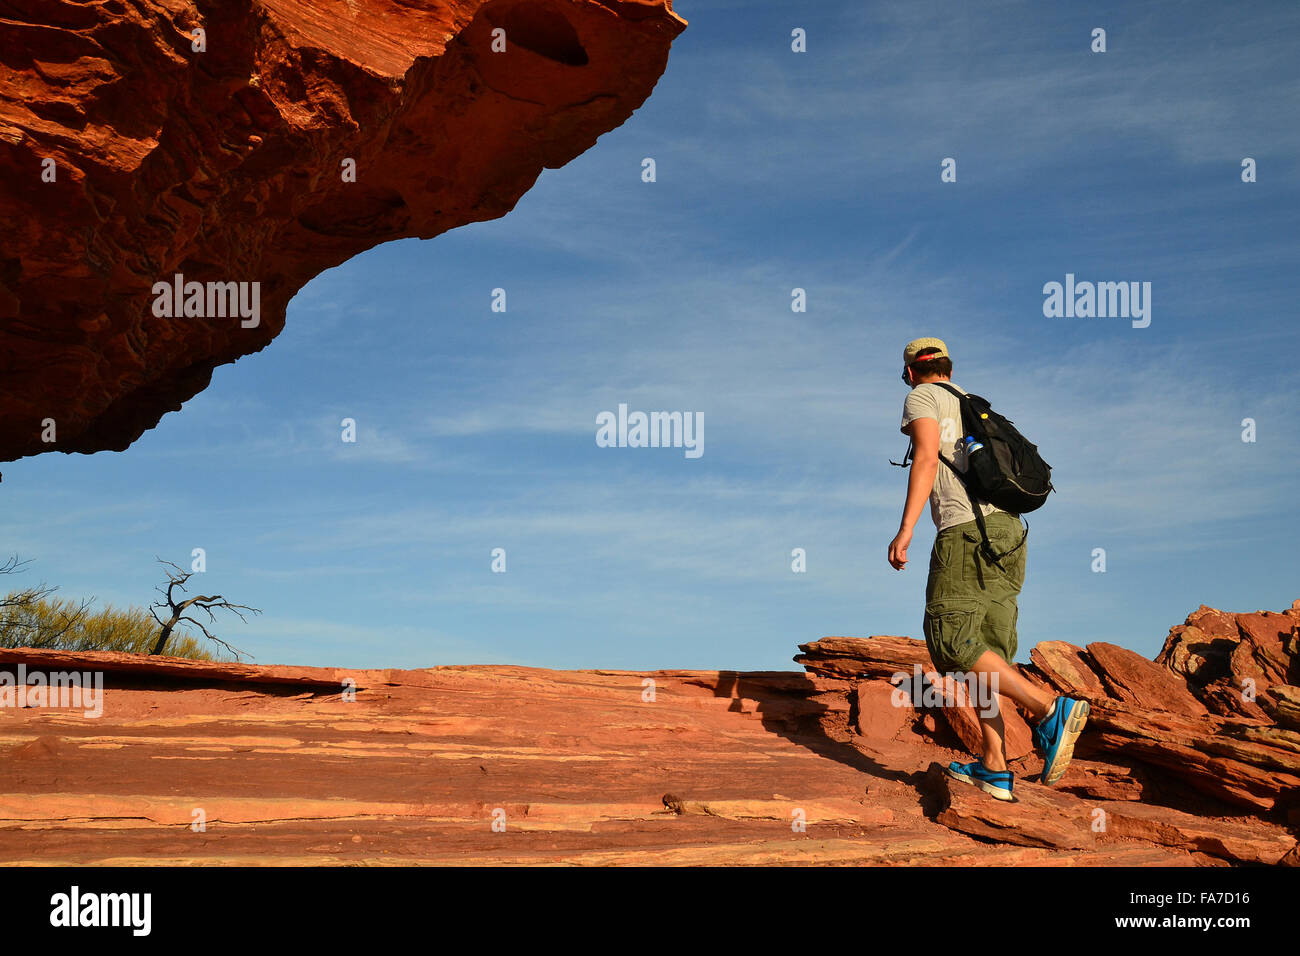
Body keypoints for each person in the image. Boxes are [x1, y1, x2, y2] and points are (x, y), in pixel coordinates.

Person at [888, 337, 1088, 801]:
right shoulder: (972, 405)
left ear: (914, 372)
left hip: (966, 532)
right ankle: (994, 766)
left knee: (951, 639)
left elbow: (924, 454)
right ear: (949, 368)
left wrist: (906, 529)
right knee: (987, 656)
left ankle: (1048, 708)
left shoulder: (923, 396)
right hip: (1009, 535)